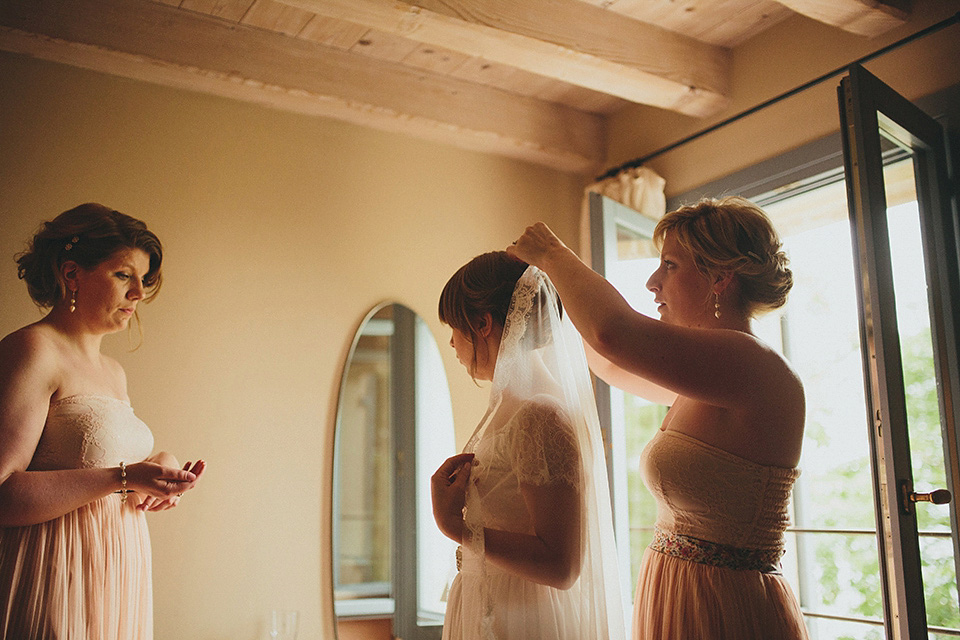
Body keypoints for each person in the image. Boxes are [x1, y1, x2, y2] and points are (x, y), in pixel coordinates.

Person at [507, 196, 809, 640]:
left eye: (669, 265)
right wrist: (554, 300)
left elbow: (613, 335)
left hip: (723, 609)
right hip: (678, 595)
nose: (653, 282)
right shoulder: (710, 375)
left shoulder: (752, 363)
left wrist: (553, 254)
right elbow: (610, 363)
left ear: (720, 278)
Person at [0, 203, 206, 639]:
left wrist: (158, 470)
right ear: (72, 274)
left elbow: (100, 466)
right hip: (57, 571)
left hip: (117, 569)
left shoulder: (113, 372)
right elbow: (3, 492)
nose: (139, 294)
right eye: (123, 275)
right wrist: (123, 476)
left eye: (143, 280)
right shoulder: (33, 350)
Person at [430, 252, 625, 640]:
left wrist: (457, 526)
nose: (451, 341)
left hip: (522, 621)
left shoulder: (540, 416)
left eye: (454, 326)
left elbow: (561, 565)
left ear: (483, 323)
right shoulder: (511, 408)